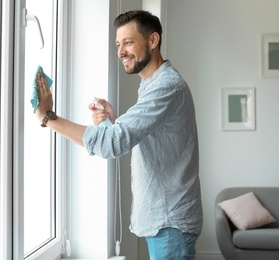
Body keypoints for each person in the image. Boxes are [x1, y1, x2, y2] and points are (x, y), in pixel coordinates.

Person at [35, 10, 203, 259]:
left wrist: (48, 118)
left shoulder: (166, 86)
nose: (120, 51)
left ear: (153, 40)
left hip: (170, 225)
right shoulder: (152, 84)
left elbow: (112, 144)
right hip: (166, 223)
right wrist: (111, 121)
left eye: (128, 42)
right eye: (117, 44)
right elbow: (139, 138)